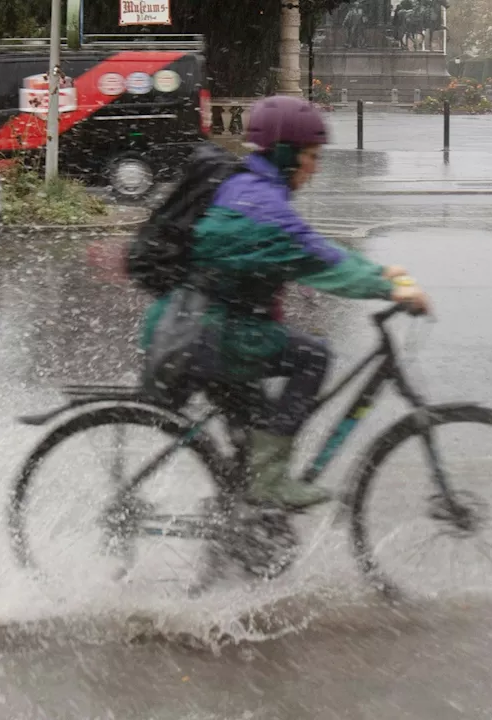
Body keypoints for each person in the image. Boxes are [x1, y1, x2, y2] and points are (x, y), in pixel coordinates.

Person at [140, 95, 431, 511]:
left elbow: (311, 245)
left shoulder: (252, 187)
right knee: (312, 355)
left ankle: (241, 526)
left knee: (252, 426)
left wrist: (376, 272)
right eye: (312, 156)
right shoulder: (260, 205)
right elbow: (313, 259)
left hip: (196, 326)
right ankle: (270, 482)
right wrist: (390, 290)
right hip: (206, 333)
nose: (316, 167)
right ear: (285, 155)